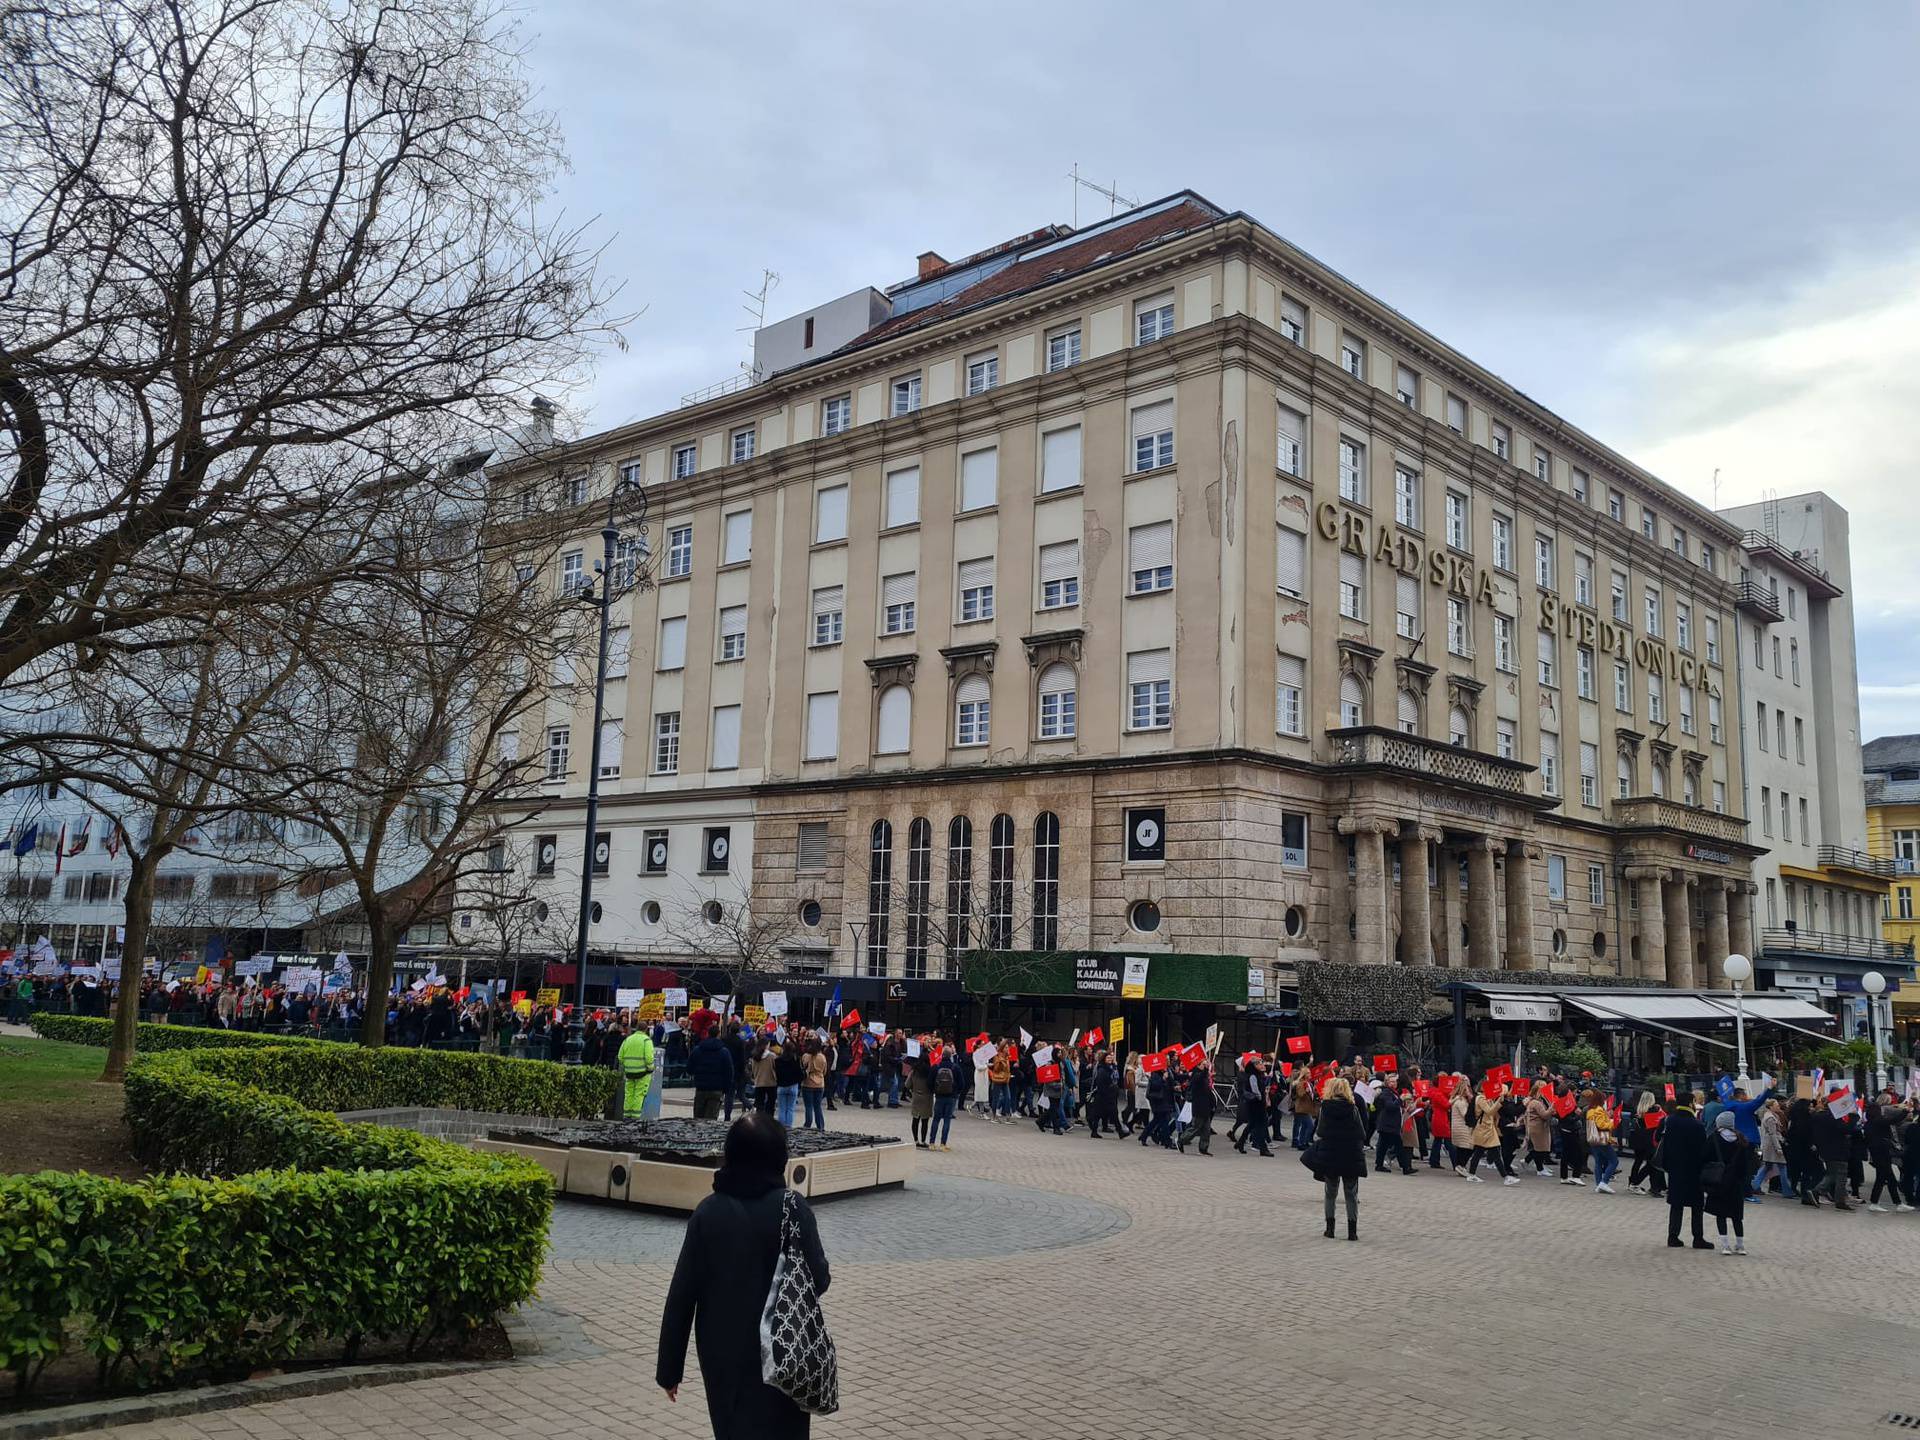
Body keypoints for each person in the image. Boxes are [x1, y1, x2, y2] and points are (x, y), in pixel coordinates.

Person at [656, 1113, 831, 1439]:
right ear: (778, 1158)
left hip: (723, 1352)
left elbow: (682, 1293)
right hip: (783, 1350)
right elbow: (819, 1279)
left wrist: (669, 1370)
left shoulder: (708, 1212)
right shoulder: (792, 1208)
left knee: (732, 1427)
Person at [1312, 1076, 1368, 1241]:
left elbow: (1320, 1131)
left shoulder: (1325, 1108)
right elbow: (1362, 1133)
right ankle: (1352, 1231)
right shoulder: (1353, 1109)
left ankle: (1330, 1228)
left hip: (1331, 1153)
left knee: (1330, 1192)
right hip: (1350, 1153)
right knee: (1351, 1193)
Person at [1659, 1099, 1715, 1249]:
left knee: (1676, 1204)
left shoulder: (1670, 1121)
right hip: (1693, 1170)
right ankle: (1698, 1238)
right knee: (1697, 1205)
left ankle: (1673, 1236)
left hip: (1675, 1169)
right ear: (1690, 1104)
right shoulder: (1696, 1125)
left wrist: (1667, 1165)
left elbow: (1665, 1144)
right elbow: (1703, 1149)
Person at [1706, 1109, 1756, 1254]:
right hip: (1736, 1182)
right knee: (1736, 1215)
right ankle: (1740, 1245)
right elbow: (1746, 1165)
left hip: (1718, 1180)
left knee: (1720, 1213)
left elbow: (1704, 1156)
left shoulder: (1714, 1138)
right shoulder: (1741, 1139)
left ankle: (1725, 1244)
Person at [1466, 1085, 1519, 1184]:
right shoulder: (1481, 1098)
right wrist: (1499, 1101)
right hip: (1483, 1129)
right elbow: (1490, 1111)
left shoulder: (1487, 1098)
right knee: (1481, 1152)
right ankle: (1505, 1177)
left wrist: (1499, 1100)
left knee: (1488, 1152)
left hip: (1488, 1129)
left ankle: (1505, 1177)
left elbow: (1493, 1112)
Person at [687, 1023, 736, 1121]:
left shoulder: (698, 1050)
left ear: (707, 1034)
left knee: (698, 1119)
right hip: (717, 1089)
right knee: (711, 1120)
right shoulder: (724, 1051)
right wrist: (726, 1088)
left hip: (701, 1088)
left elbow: (689, 1068)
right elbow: (729, 1071)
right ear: (718, 1034)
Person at [1235, 1058, 1274, 1156]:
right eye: (1259, 1064)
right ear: (1254, 1066)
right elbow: (1255, 1089)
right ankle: (1263, 1149)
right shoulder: (1252, 1075)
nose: (1262, 1065)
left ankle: (1240, 1143)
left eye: (1261, 1063)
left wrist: (1268, 1078)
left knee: (1252, 1125)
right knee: (1261, 1126)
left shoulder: (1259, 1075)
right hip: (1256, 1104)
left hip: (1257, 1104)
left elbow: (1262, 1085)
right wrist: (1260, 1097)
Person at [1371, 1079, 1412, 1174]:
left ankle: (1379, 1165)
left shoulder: (1393, 1092)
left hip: (1389, 1124)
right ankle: (1405, 1167)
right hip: (1388, 1124)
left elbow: (1396, 1106)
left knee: (1383, 1145)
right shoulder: (1386, 1093)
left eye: (1395, 1081)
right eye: (1391, 1082)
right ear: (1387, 1083)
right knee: (1398, 1146)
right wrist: (1400, 1099)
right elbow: (1390, 1106)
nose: (1394, 1083)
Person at [617, 1023, 657, 1119]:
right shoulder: (646, 1040)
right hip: (642, 1072)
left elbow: (620, 1056)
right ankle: (635, 1116)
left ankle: (626, 1115)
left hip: (629, 1072)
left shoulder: (628, 1039)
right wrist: (650, 1068)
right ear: (646, 1029)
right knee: (639, 1094)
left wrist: (627, 1065)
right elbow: (649, 1057)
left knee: (629, 1093)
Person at [1177, 1059, 1216, 1156]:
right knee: (1195, 1128)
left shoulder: (1203, 1075)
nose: (1205, 1065)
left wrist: (1212, 1103)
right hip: (1199, 1105)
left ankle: (1203, 1148)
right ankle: (1181, 1140)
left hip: (1206, 1105)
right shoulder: (1196, 1074)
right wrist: (1206, 1070)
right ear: (1198, 1065)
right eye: (1203, 1064)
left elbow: (1208, 1089)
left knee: (1206, 1130)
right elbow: (1199, 1078)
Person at [1755, 1098, 1790, 1199]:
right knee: (1782, 1166)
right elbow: (1773, 1134)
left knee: (1767, 1166)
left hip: (1769, 1145)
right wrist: (1778, 1147)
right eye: (1776, 1105)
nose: (1778, 1106)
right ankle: (1787, 1191)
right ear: (1771, 1107)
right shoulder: (1770, 1118)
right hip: (1773, 1146)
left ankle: (1754, 1185)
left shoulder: (1770, 1116)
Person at [1586, 1091, 1620, 1194]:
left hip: (1593, 1139)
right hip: (1602, 1140)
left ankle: (1598, 1184)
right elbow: (1601, 1125)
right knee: (1614, 1161)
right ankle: (1604, 1182)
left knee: (1598, 1162)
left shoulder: (1590, 1110)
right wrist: (1613, 1122)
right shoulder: (1599, 1110)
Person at [928, 1045, 959, 1151]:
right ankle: (943, 1144)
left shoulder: (936, 1066)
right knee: (947, 1120)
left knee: (936, 1119)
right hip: (951, 1097)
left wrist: (934, 1091)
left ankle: (931, 1143)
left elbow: (929, 1082)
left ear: (942, 1055)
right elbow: (962, 1083)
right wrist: (955, 1092)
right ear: (950, 1056)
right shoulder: (955, 1067)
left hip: (939, 1096)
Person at [800, 1039, 828, 1133]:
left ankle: (807, 1124)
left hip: (807, 1083)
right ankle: (820, 1125)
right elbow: (825, 1071)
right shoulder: (822, 1057)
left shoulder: (805, 1056)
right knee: (818, 1106)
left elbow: (802, 1067)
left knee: (808, 1106)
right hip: (819, 1083)